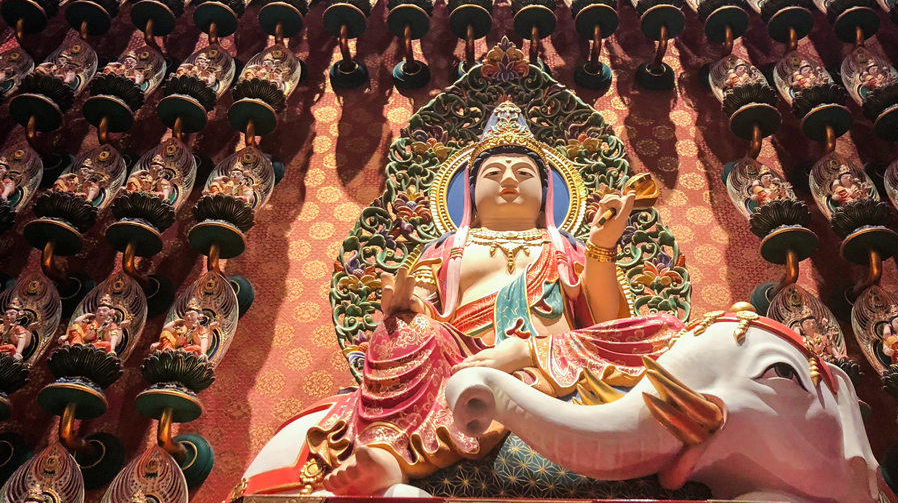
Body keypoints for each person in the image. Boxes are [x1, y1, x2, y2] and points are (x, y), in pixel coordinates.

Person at [239, 102, 685, 496]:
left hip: (551, 365)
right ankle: (390, 450)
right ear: (470, 192)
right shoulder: (449, 248)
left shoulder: (563, 247)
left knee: (667, 331)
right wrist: (407, 306)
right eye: (493, 173)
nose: (508, 180)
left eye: (524, 173)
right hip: (461, 364)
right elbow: (422, 302)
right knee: (404, 330)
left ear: (546, 193)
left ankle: (501, 385)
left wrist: (602, 246)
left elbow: (605, 324)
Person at [60, 296, 125, 354]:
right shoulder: (91, 324)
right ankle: (76, 346)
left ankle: (81, 349)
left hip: (95, 347)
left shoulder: (111, 326)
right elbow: (76, 322)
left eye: (104, 311)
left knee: (107, 344)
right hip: (82, 345)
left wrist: (107, 330)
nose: (101, 312)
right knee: (76, 327)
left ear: (111, 313)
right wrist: (86, 315)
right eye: (98, 311)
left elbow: (113, 341)